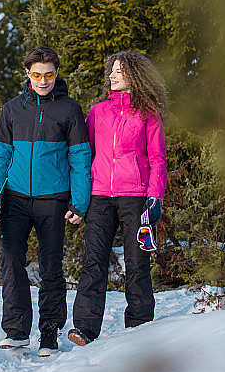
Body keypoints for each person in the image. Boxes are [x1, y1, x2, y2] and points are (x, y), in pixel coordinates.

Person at [0, 46, 91, 356]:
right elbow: (1, 155)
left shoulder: (69, 110)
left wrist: (79, 201)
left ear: (56, 74)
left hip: (53, 200)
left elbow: (80, 157)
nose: (43, 80)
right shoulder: (12, 109)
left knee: (50, 267)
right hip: (15, 199)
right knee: (12, 261)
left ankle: (49, 332)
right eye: (36, 74)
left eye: (49, 74)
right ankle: (16, 330)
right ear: (27, 74)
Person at [68, 50, 167, 346]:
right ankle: (85, 328)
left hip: (135, 197)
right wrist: (79, 198)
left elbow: (158, 159)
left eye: (119, 71)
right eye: (111, 70)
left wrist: (154, 198)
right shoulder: (98, 111)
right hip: (100, 196)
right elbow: (85, 156)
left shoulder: (148, 113)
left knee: (137, 262)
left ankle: (139, 325)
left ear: (134, 76)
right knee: (93, 261)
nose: (112, 75)